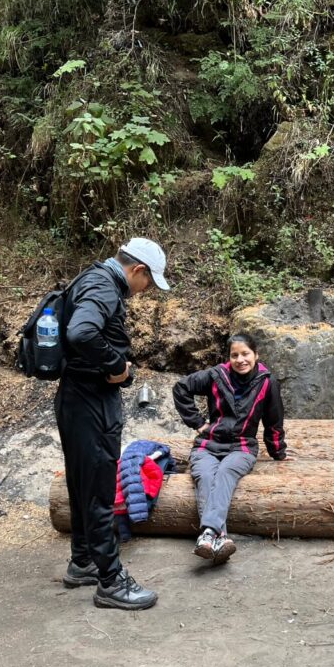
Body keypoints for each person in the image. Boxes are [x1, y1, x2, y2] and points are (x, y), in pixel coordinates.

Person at [57, 237, 169, 609]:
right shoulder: (105, 288)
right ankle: (111, 581)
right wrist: (116, 367)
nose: (145, 290)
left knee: (81, 480)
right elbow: (81, 332)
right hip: (91, 402)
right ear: (137, 270)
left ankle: (83, 560)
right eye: (148, 282)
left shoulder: (89, 278)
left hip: (75, 397)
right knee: (101, 489)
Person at [172, 333, 289, 564]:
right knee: (204, 475)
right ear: (229, 357)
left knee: (225, 472)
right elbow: (181, 388)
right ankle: (219, 537)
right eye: (234, 355)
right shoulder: (217, 375)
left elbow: (274, 422)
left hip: (242, 447)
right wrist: (197, 422)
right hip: (208, 444)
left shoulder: (267, 383)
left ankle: (208, 534)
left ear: (256, 355)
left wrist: (278, 452)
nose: (240, 360)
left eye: (245, 354)